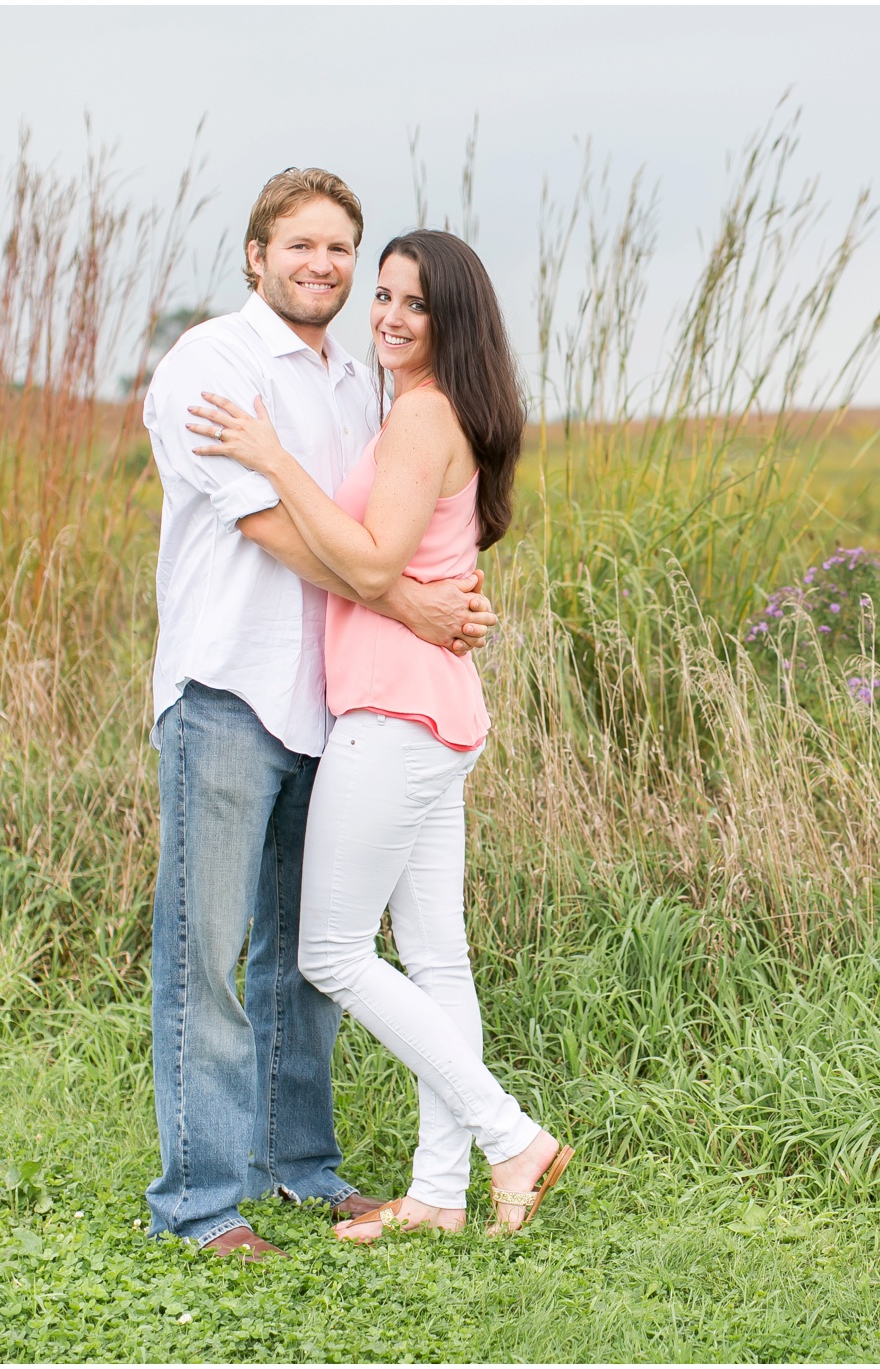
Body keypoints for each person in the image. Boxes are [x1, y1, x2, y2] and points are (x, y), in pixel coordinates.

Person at [188, 228, 572, 1242]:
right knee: (437, 960)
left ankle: (509, 1135)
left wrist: (270, 456)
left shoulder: (422, 417)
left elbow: (365, 563)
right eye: (385, 296)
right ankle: (441, 1194)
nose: (392, 317)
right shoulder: (441, 411)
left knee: (330, 950)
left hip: (394, 712)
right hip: (434, 705)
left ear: (453, 320)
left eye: (415, 303)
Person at [144, 171, 498, 1262]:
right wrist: (418, 606)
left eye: (340, 248)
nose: (325, 266)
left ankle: (300, 1167)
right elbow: (273, 527)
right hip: (229, 692)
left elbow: (386, 523)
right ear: (255, 255)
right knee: (203, 953)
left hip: (332, 708)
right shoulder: (214, 364)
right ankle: (203, 1203)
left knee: (303, 960)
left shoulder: (362, 382)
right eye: (300, 245)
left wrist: (437, 591)